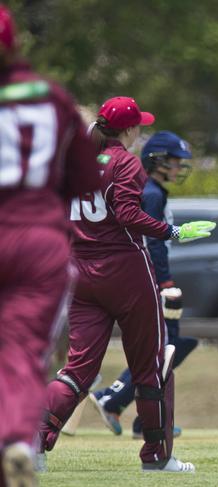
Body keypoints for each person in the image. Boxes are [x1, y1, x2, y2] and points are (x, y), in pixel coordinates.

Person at [38, 96, 216, 473]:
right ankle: (156, 455)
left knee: (77, 370)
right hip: (125, 270)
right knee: (150, 363)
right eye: (139, 126)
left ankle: (34, 444)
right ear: (130, 129)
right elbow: (128, 214)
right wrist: (175, 231)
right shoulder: (124, 162)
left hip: (80, 271)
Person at [0, 5, 100, 485]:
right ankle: (18, 438)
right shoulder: (51, 97)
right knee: (20, 353)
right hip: (39, 238)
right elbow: (84, 181)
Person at [90, 130, 198, 439]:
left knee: (170, 346)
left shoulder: (155, 191)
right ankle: (116, 401)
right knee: (164, 348)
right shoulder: (151, 193)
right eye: (175, 163)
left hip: (146, 279)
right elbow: (152, 241)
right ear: (158, 162)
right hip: (150, 280)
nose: (179, 169)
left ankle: (135, 414)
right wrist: (164, 281)